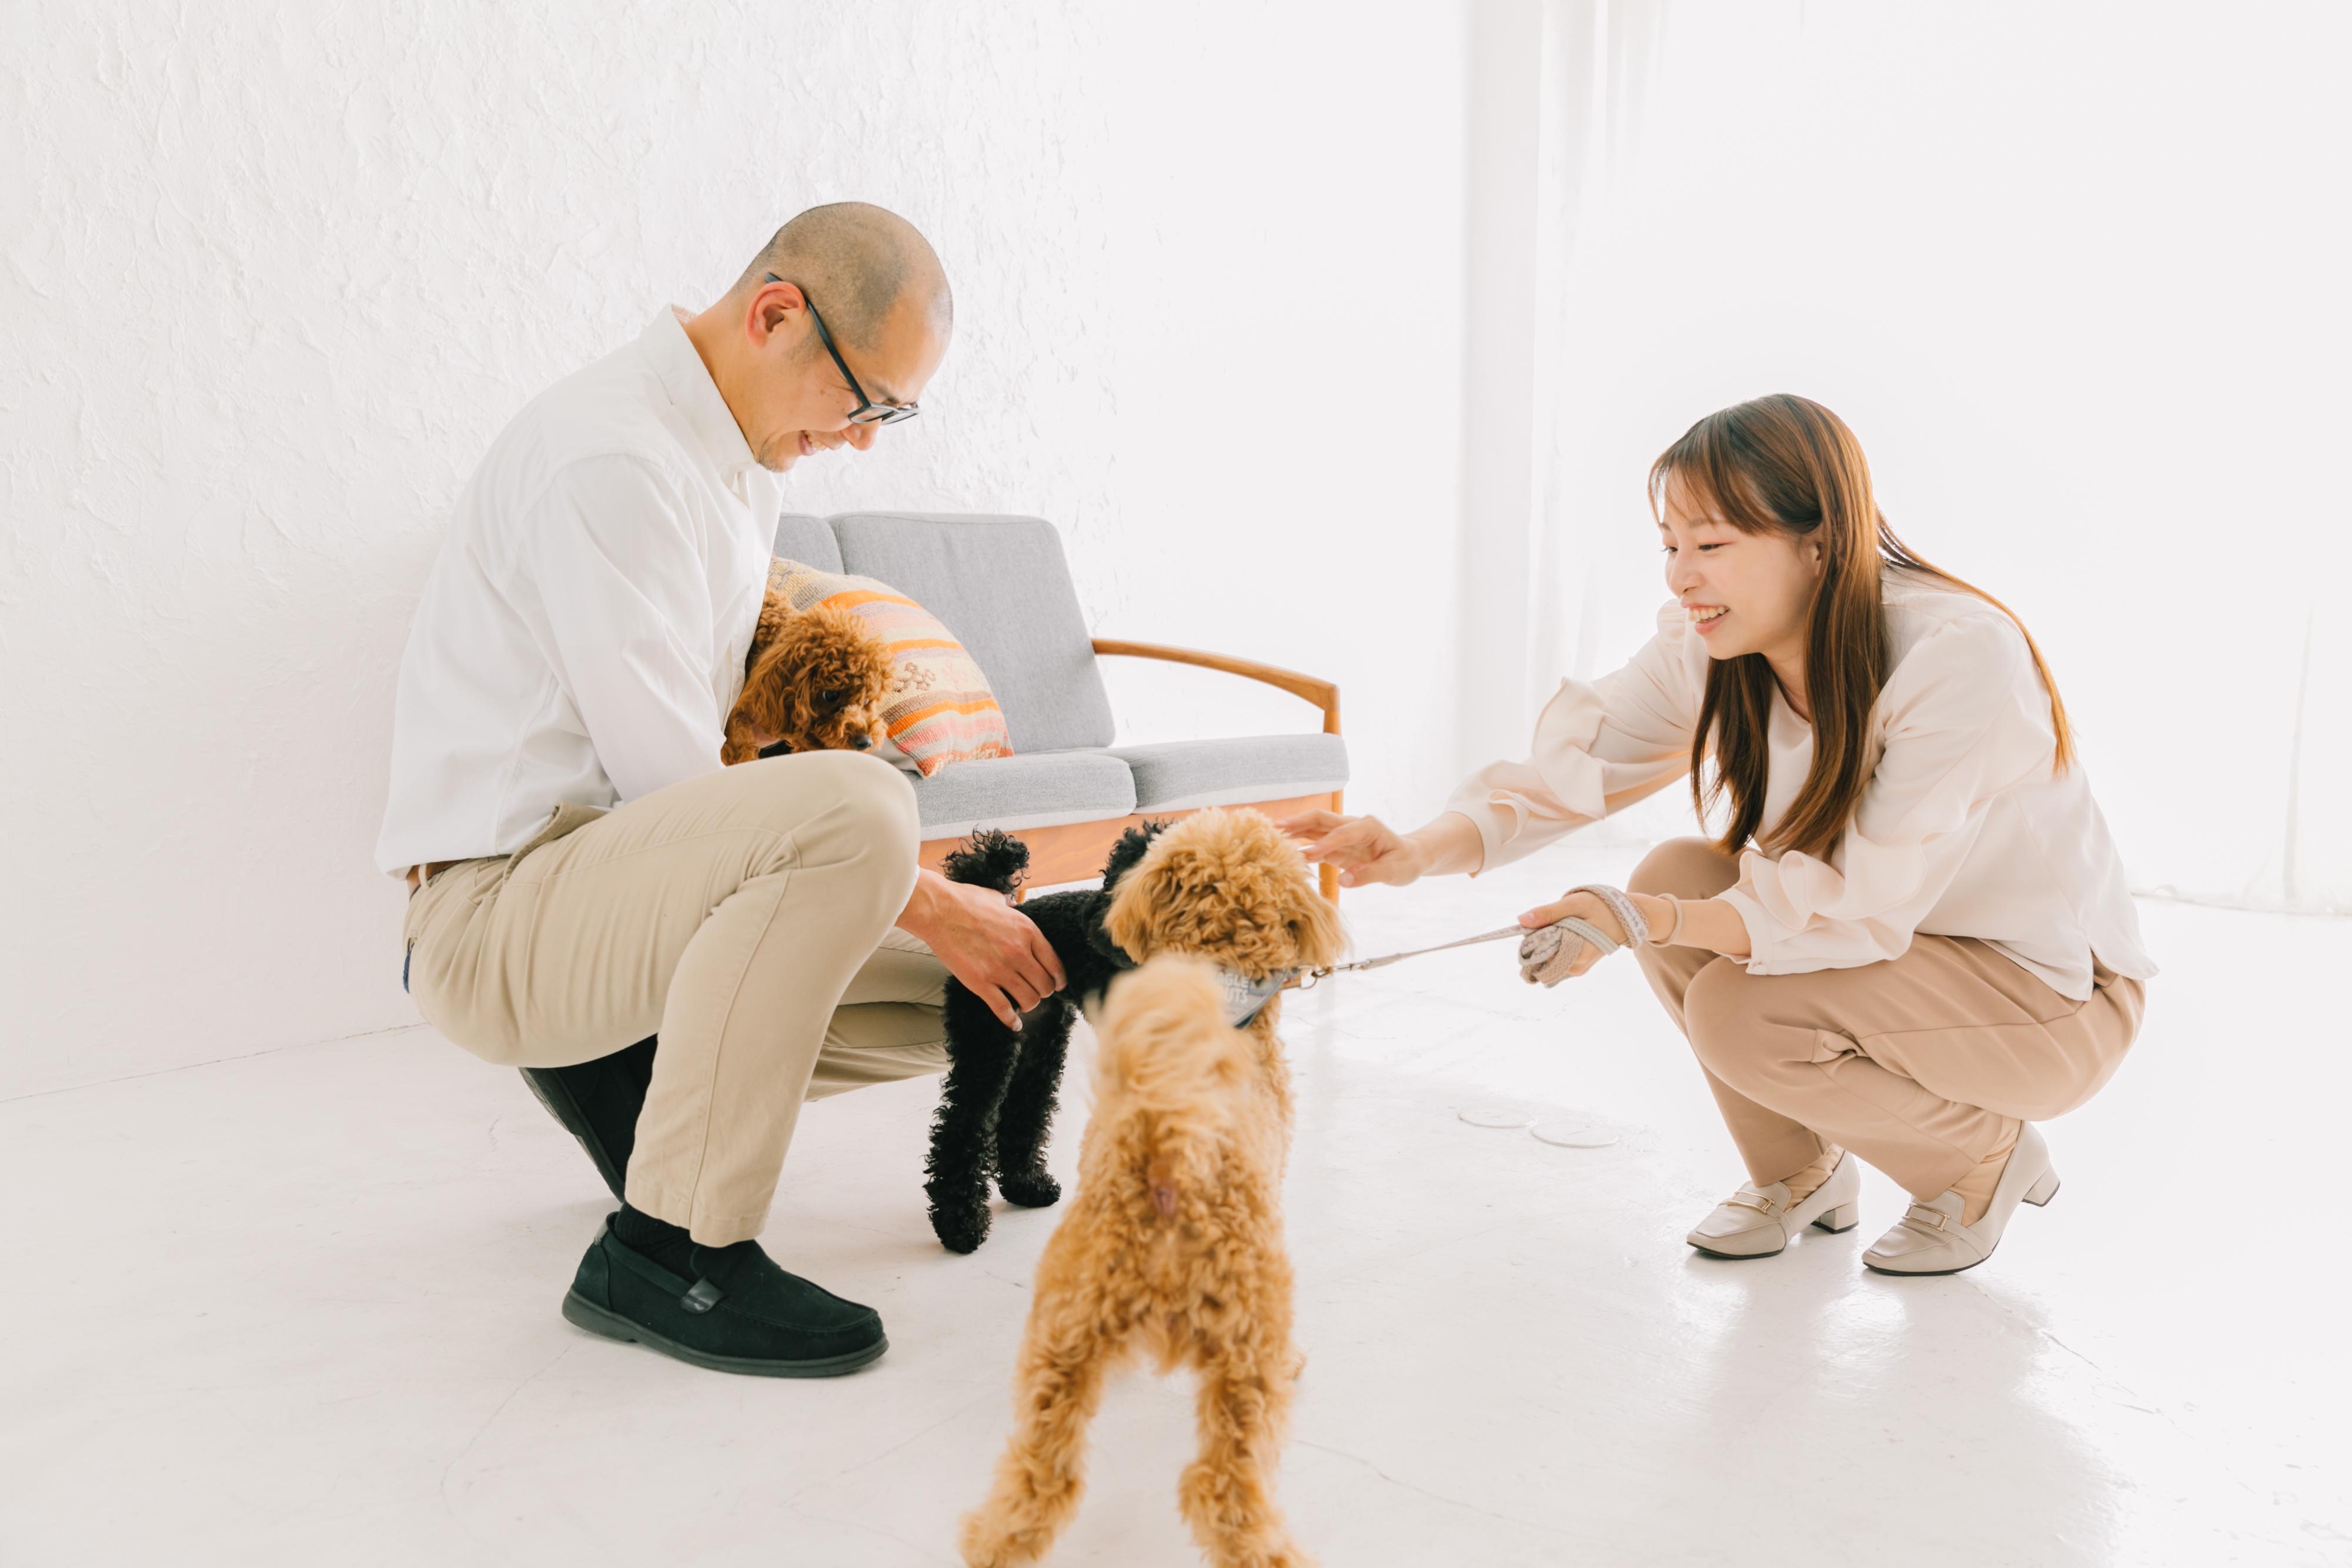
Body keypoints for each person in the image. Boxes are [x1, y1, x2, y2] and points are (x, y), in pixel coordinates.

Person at [375, 203, 1065, 1375]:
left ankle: (628, 1078)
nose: (862, 441)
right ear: (775, 314)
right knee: (863, 809)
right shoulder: (610, 459)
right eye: (865, 401)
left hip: (617, 902)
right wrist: (933, 899)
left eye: (891, 415)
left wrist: (961, 930)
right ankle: (669, 1253)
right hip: (497, 916)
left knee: (992, 994)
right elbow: (673, 785)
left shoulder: (734, 469)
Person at [1287, 394, 2151, 1276]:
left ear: (1820, 543)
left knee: (1737, 1006)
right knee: (1677, 873)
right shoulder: (1715, 646)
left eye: (1711, 546)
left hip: (2047, 1001)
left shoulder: (1957, 654)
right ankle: (1800, 1171)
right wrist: (1416, 851)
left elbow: (1861, 898)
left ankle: (1980, 1163)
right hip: (1900, 959)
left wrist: (1642, 920)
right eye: (1670, 546)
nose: (1679, 577)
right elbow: (1578, 768)